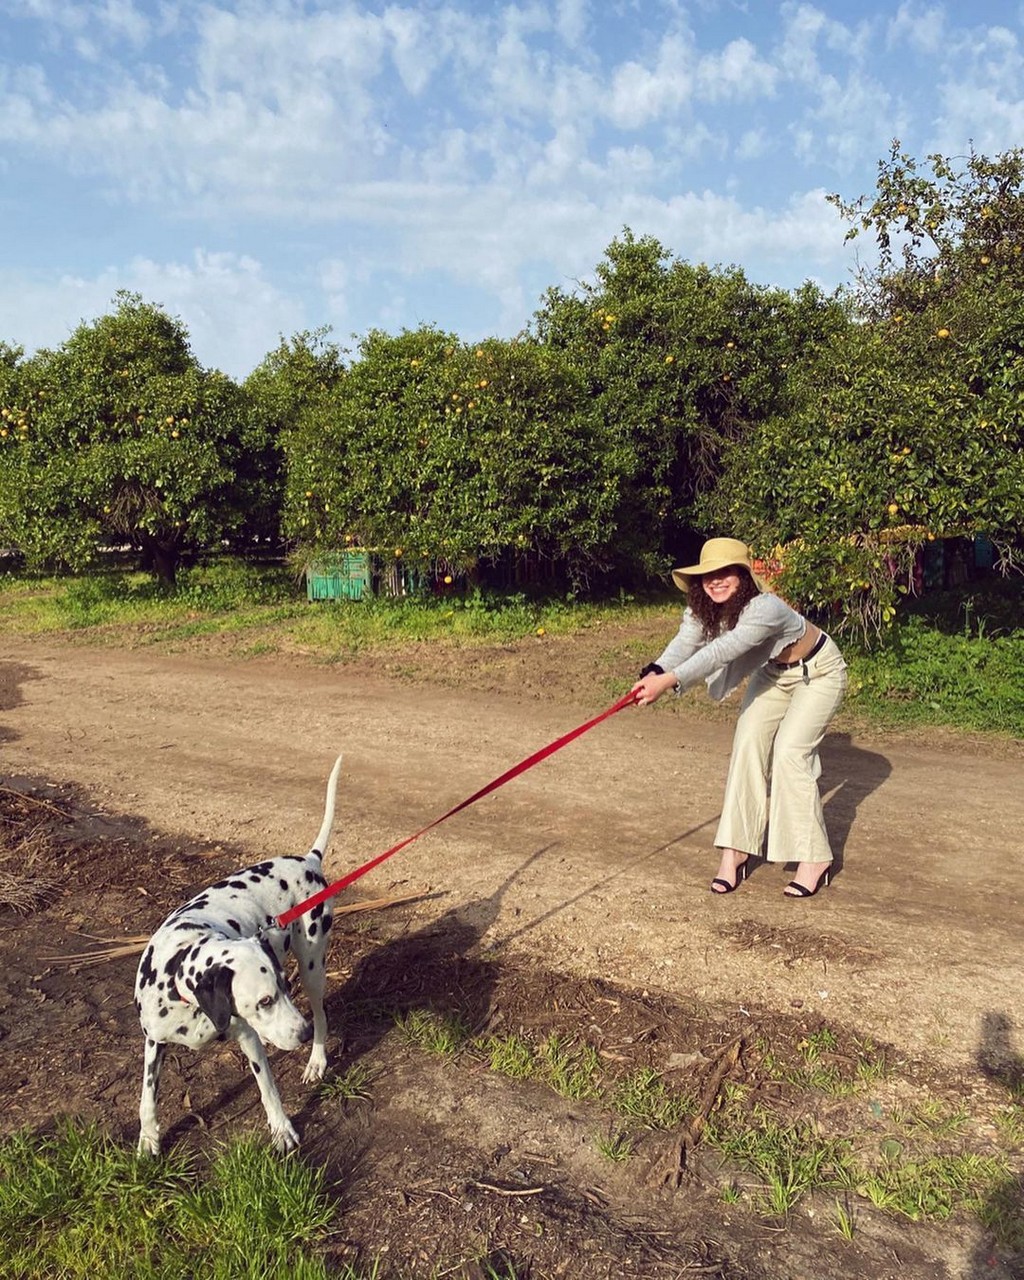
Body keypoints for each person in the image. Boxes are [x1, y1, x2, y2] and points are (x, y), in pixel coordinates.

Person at [632, 537, 847, 898]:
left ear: (743, 576)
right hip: (773, 675)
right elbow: (687, 640)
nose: (715, 581)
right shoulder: (704, 607)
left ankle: (813, 857)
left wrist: (669, 681)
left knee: (790, 752)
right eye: (708, 575)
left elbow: (722, 650)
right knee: (746, 745)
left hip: (819, 673)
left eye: (725, 572)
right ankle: (736, 852)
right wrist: (656, 669)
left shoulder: (765, 608)